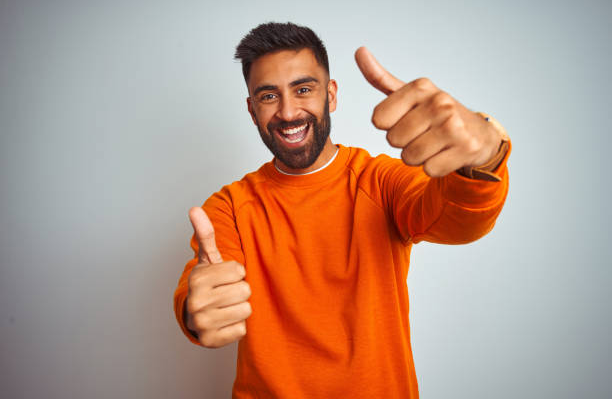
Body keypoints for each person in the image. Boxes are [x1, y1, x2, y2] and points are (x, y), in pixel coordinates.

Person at [174, 22, 510, 398]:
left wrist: (485, 156)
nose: (287, 112)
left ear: (331, 95)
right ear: (252, 110)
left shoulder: (380, 181)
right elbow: (204, 282)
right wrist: (195, 310)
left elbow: (462, 221)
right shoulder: (229, 207)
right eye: (268, 97)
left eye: (303, 89)